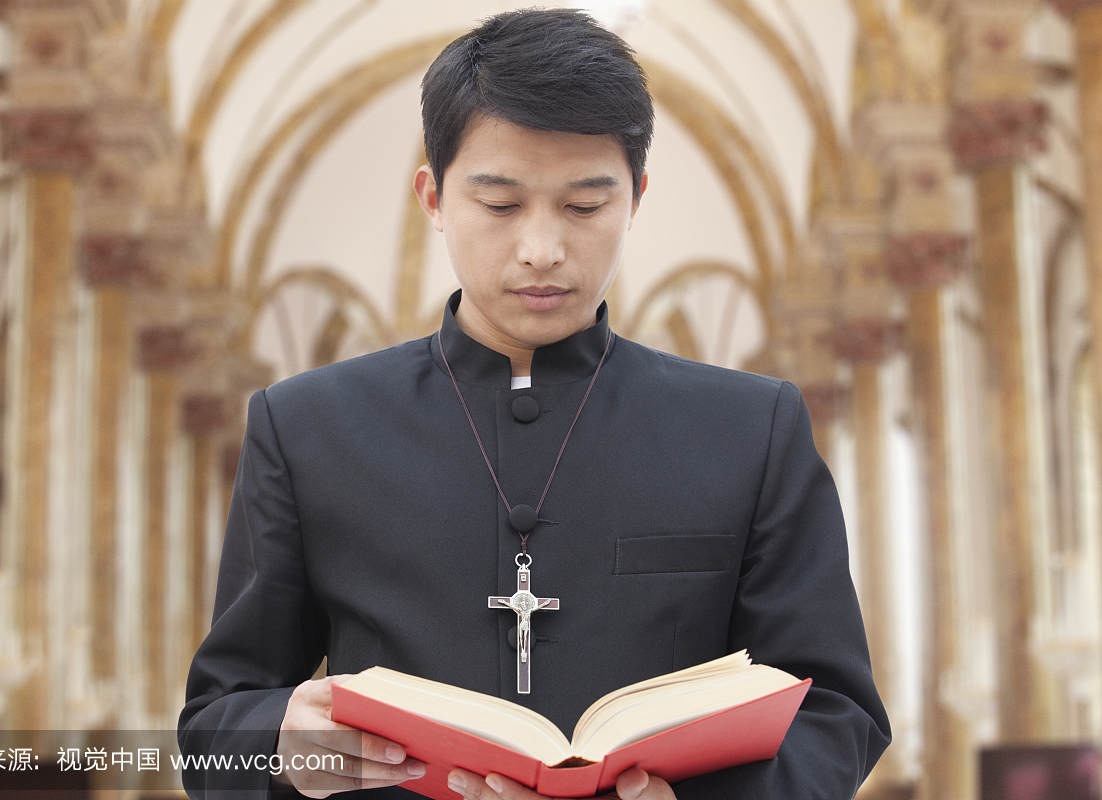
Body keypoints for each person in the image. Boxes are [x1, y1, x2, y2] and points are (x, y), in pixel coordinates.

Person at [178, 8, 890, 800]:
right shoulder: (304, 428)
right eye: (500, 204)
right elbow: (211, 730)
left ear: (636, 197)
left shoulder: (752, 429)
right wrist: (277, 739)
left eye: (585, 206)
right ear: (434, 197)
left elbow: (838, 712)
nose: (541, 248)